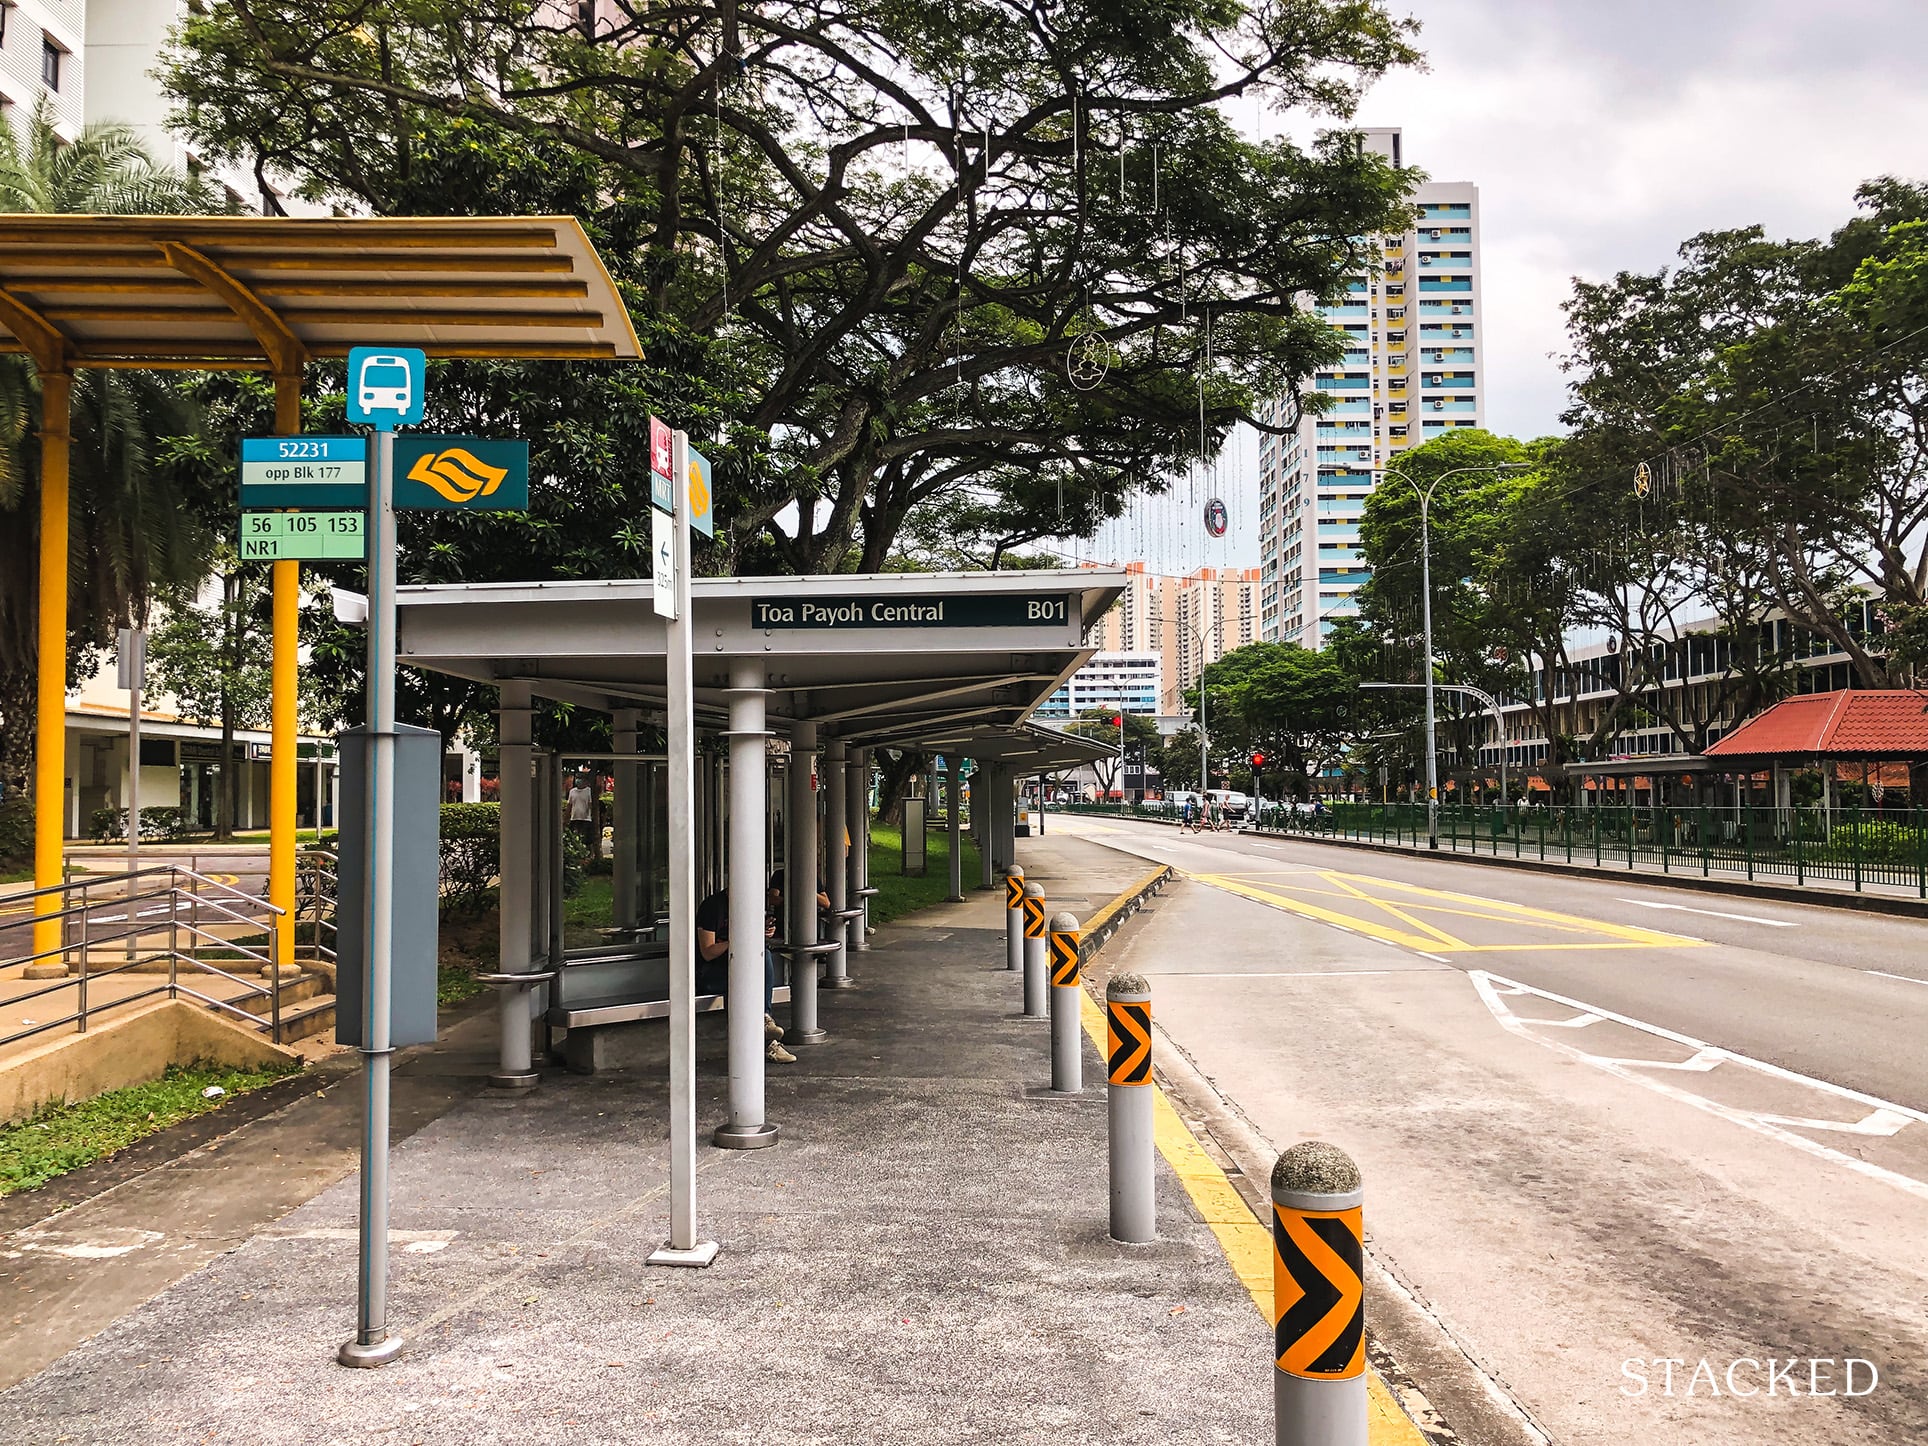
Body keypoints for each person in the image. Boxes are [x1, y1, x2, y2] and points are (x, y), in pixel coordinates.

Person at [695, 877, 794, 1063]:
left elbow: (752, 943)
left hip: (739, 970)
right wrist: (740, 938)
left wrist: (762, 932)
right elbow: (707, 952)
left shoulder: (750, 905)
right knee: (748, 985)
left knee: (762, 955)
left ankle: (764, 1022)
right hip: (710, 973)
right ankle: (766, 1036)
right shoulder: (712, 906)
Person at [566, 773, 599, 857]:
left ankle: (590, 855)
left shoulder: (588, 791)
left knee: (587, 840)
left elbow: (591, 805)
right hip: (574, 818)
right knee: (575, 839)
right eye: (577, 778)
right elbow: (569, 805)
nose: (578, 780)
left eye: (580, 778)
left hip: (586, 819)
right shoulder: (572, 791)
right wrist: (565, 818)